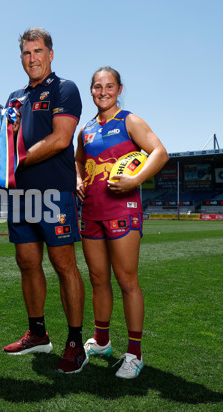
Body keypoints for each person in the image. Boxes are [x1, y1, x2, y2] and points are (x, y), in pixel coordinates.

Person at [0, 27, 88, 374]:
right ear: (21, 58)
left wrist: (17, 159)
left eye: (38, 51)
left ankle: (75, 342)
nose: (32, 58)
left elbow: (61, 138)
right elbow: (4, 146)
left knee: (63, 266)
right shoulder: (14, 97)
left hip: (53, 192)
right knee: (27, 263)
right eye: (26, 53)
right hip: (21, 194)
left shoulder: (65, 89)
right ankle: (38, 333)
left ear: (50, 54)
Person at [75, 66, 168, 379]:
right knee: (98, 278)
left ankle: (135, 353)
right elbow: (78, 160)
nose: (103, 92)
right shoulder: (85, 130)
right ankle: (101, 341)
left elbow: (159, 152)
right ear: (91, 90)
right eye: (97, 86)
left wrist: (135, 180)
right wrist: (77, 178)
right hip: (90, 211)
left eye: (109, 86)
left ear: (119, 88)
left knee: (127, 280)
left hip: (122, 210)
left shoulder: (130, 120)